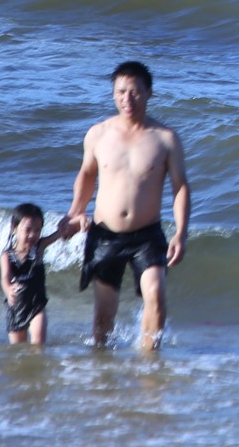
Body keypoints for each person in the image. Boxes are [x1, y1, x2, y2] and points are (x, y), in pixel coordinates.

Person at [64, 61, 191, 351]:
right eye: (121, 92)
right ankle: (102, 372)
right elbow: (86, 175)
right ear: (113, 94)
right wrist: (75, 212)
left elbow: (180, 186)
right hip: (105, 235)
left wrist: (181, 233)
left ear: (149, 93)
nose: (127, 99)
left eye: (135, 92)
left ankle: (149, 363)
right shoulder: (98, 134)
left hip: (147, 236)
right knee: (104, 317)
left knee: (156, 295)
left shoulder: (166, 139)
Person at [0, 203, 68, 345]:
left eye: (37, 230)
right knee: (18, 351)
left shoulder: (39, 248)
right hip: (16, 310)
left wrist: (73, 223)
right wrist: (8, 289)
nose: (32, 235)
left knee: (38, 343)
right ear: (14, 228)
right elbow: (5, 278)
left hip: (36, 306)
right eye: (28, 230)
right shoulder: (7, 256)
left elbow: (59, 234)